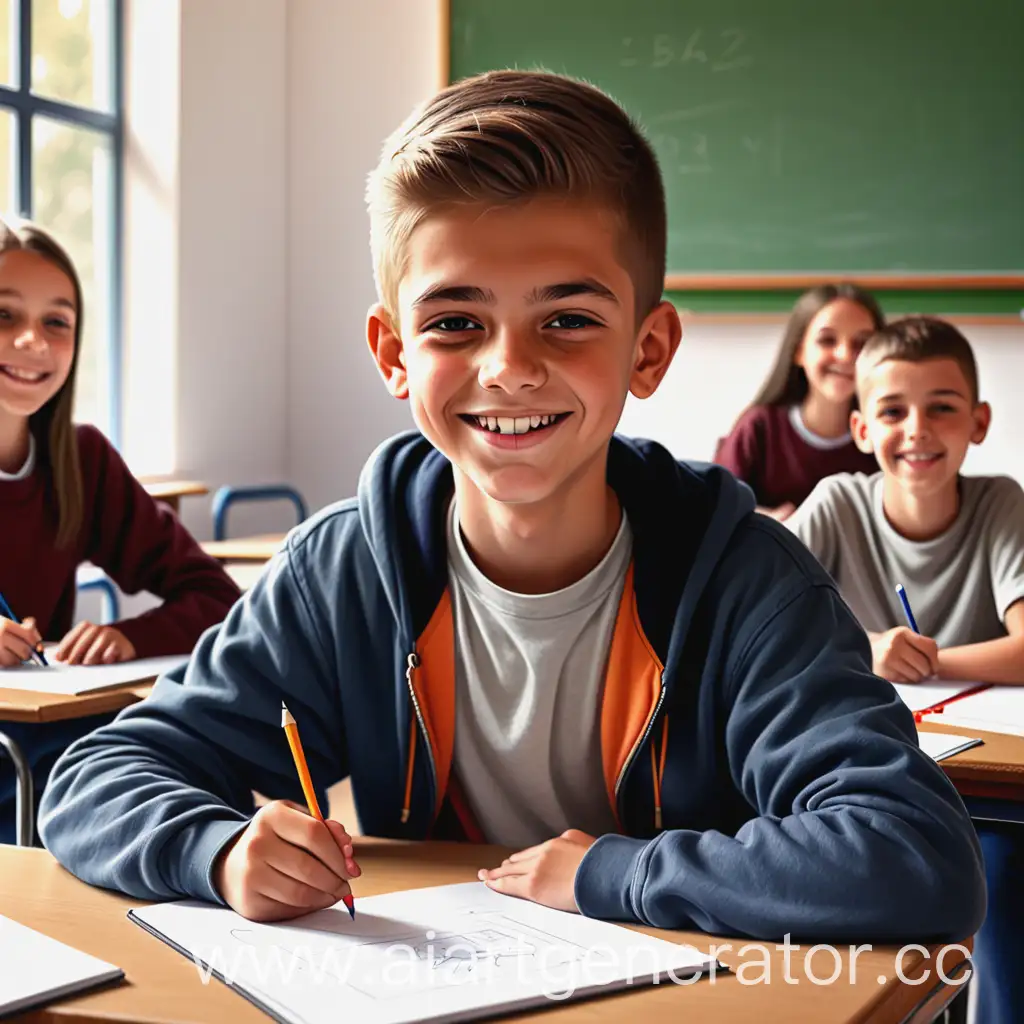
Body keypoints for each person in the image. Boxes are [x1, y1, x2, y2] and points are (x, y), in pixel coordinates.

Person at [39, 72, 983, 947]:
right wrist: (218, 851)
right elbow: (92, 783)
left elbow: (912, 856)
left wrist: (614, 874)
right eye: (455, 322)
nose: (510, 367)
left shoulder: (745, 581)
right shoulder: (344, 574)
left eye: (568, 319)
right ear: (392, 352)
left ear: (648, 351)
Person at [787, 315, 1023, 1023]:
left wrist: (933, 660)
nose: (917, 430)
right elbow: (760, 629)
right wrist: (867, 647)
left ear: (978, 422)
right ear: (861, 429)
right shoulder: (836, 503)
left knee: (1003, 877)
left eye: (942, 408)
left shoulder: (1000, 503)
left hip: (985, 787)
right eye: (893, 410)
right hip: (862, 774)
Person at [0, 219, 241, 843]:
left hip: (55, 749)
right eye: (4, 315)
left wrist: (127, 637)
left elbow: (216, 599)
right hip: (21, 772)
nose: (33, 341)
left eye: (57, 322)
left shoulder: (80, 462)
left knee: (200, 791)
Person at [714, 284, 882, 519]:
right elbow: (714, 507)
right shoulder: (760, 427)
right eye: (827, 340)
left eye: (861, 343)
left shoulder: (885, 433)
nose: (845, 355)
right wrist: (766, 522)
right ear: (799, 351)